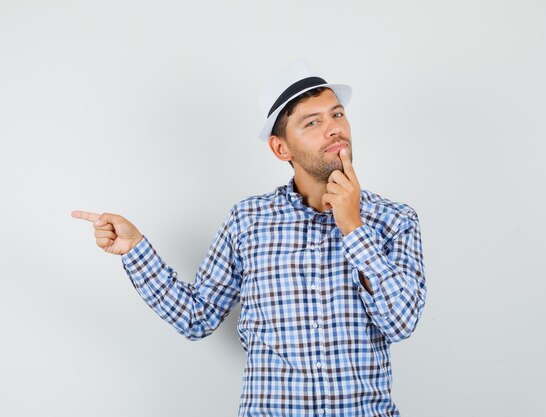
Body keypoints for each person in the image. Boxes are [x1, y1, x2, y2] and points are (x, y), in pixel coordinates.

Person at [71, 60, 427, 417]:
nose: (334, 129)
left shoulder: (395, 220)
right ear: (281, 149)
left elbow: (401, 322)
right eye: (313, 122)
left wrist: (353, 226)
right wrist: (135, 250)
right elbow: (197, 317)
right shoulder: (248, 221)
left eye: (337, 115)